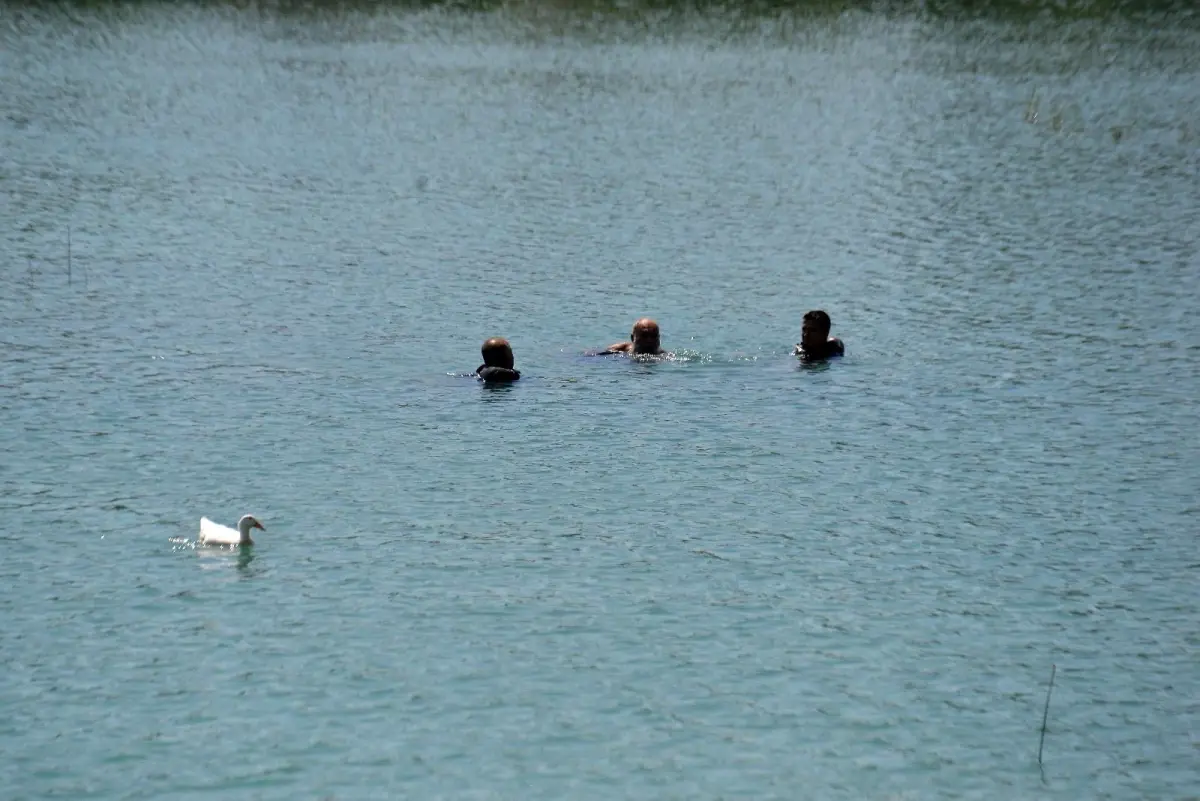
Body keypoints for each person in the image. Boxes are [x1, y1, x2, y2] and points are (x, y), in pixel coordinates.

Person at [598, 318, 667, 356]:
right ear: (632, 338)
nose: (649, 340)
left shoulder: (664, 356)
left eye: (653, 336)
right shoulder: (619, 350)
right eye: (644, 336)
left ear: (659, 338)